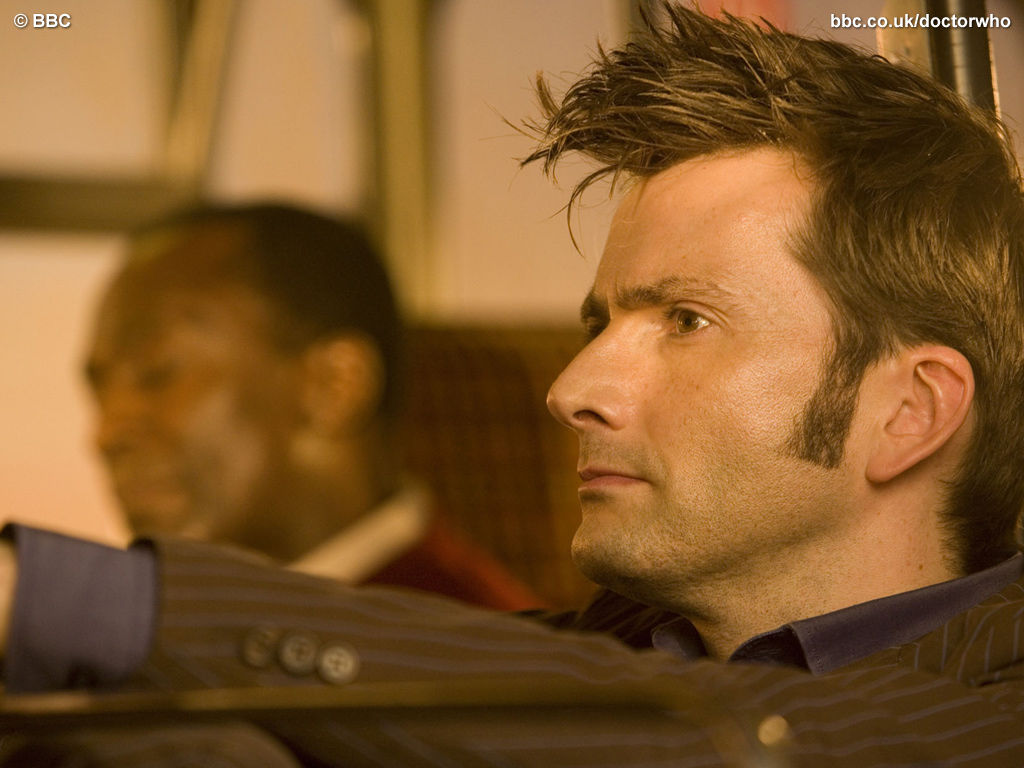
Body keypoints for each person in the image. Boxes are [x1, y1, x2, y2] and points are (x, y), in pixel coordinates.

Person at [3, 5, 1024, 765]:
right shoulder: (601, 652)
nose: (571, 388)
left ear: (910, 412)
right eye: (598, 324)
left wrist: (66, 598)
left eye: (685, 321)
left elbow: (733, 745)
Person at [80, 203, 543, 610]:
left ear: (334, 385)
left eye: (158, 371)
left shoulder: (479, 658)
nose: (106, 433)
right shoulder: (159, 634)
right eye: (98, 392)